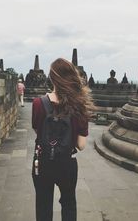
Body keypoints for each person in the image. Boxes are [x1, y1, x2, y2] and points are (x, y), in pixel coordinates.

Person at [32, 58, 95, 221]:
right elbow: (81, 145)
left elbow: (37, 132)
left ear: (51, 78)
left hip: (42, 162)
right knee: (68, 204)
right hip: (66, 164)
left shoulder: (38, 103)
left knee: (43, 205)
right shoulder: (80, 105)